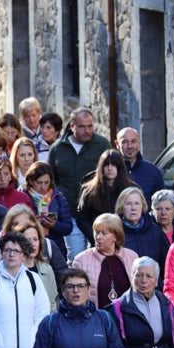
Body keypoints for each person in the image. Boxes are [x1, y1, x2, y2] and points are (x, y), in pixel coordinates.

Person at [47, 109, 111, 259]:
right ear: (72, 126)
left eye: (90, 126)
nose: (87, 130)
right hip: (70, 212)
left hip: (96, 211)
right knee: (76, 256)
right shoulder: (57, 149)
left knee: (101, 253)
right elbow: (52, 180)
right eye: (82, 127)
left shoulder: (102, 145)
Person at [71, 214, 138, 309]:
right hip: (96, 319)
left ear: (116, 236)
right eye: (97, 232)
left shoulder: (132, 257)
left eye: (104, 233)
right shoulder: (81, 260)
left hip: (127, 317)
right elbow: (76, 295)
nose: (98, 237)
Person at [74, 150, 135, 246]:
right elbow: (81, 218)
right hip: (98, 240)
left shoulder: (131, 189)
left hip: (127, 241)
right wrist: (93, 236)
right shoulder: (89, 190)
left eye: (114, 165)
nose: (110, 168)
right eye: (106, 165)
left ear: (120, 168)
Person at [116, 127, 163, 200]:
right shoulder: (110, 171)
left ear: (139, 143)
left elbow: (161, 202)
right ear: (117, 144)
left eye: (133, 141)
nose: (130, 146)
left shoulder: (153, 172)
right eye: (125, 142)